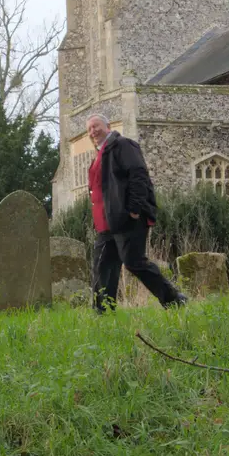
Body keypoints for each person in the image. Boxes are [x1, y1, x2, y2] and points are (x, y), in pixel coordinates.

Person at [85, 114, 189, 312]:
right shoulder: (100, 154)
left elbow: (138, 176)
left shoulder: (123, 145)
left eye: (96, 126)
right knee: (102, 266)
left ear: (108, 126)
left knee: (134, 262)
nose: (92, 131)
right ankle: (103, 312)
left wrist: (134, 210)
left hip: (126, 219)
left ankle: (174, 300)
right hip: (105, 224)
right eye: (89, 129)